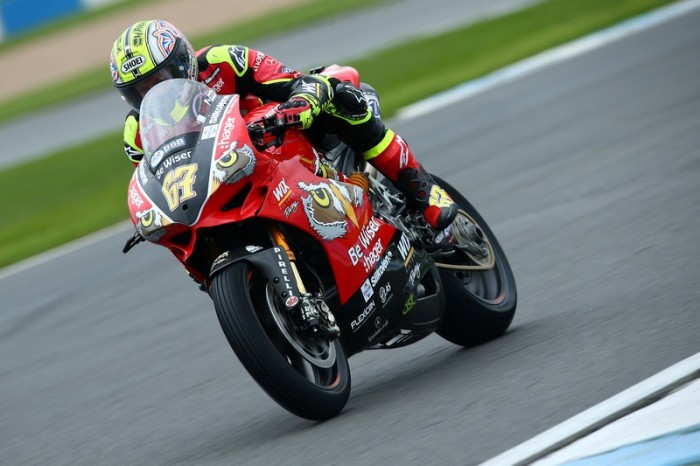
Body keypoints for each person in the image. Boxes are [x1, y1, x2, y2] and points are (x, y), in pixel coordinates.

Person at [110, 19, 457, 230]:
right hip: (224, 182)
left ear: (183, 60)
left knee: (340, 97)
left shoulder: (223, 61)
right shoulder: (136, 134)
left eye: (161, 78)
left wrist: (301, 103)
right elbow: (156, 184)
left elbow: (293, 81)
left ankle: (422, 189)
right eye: (140, 90)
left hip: (281, 137)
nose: (153, 92)